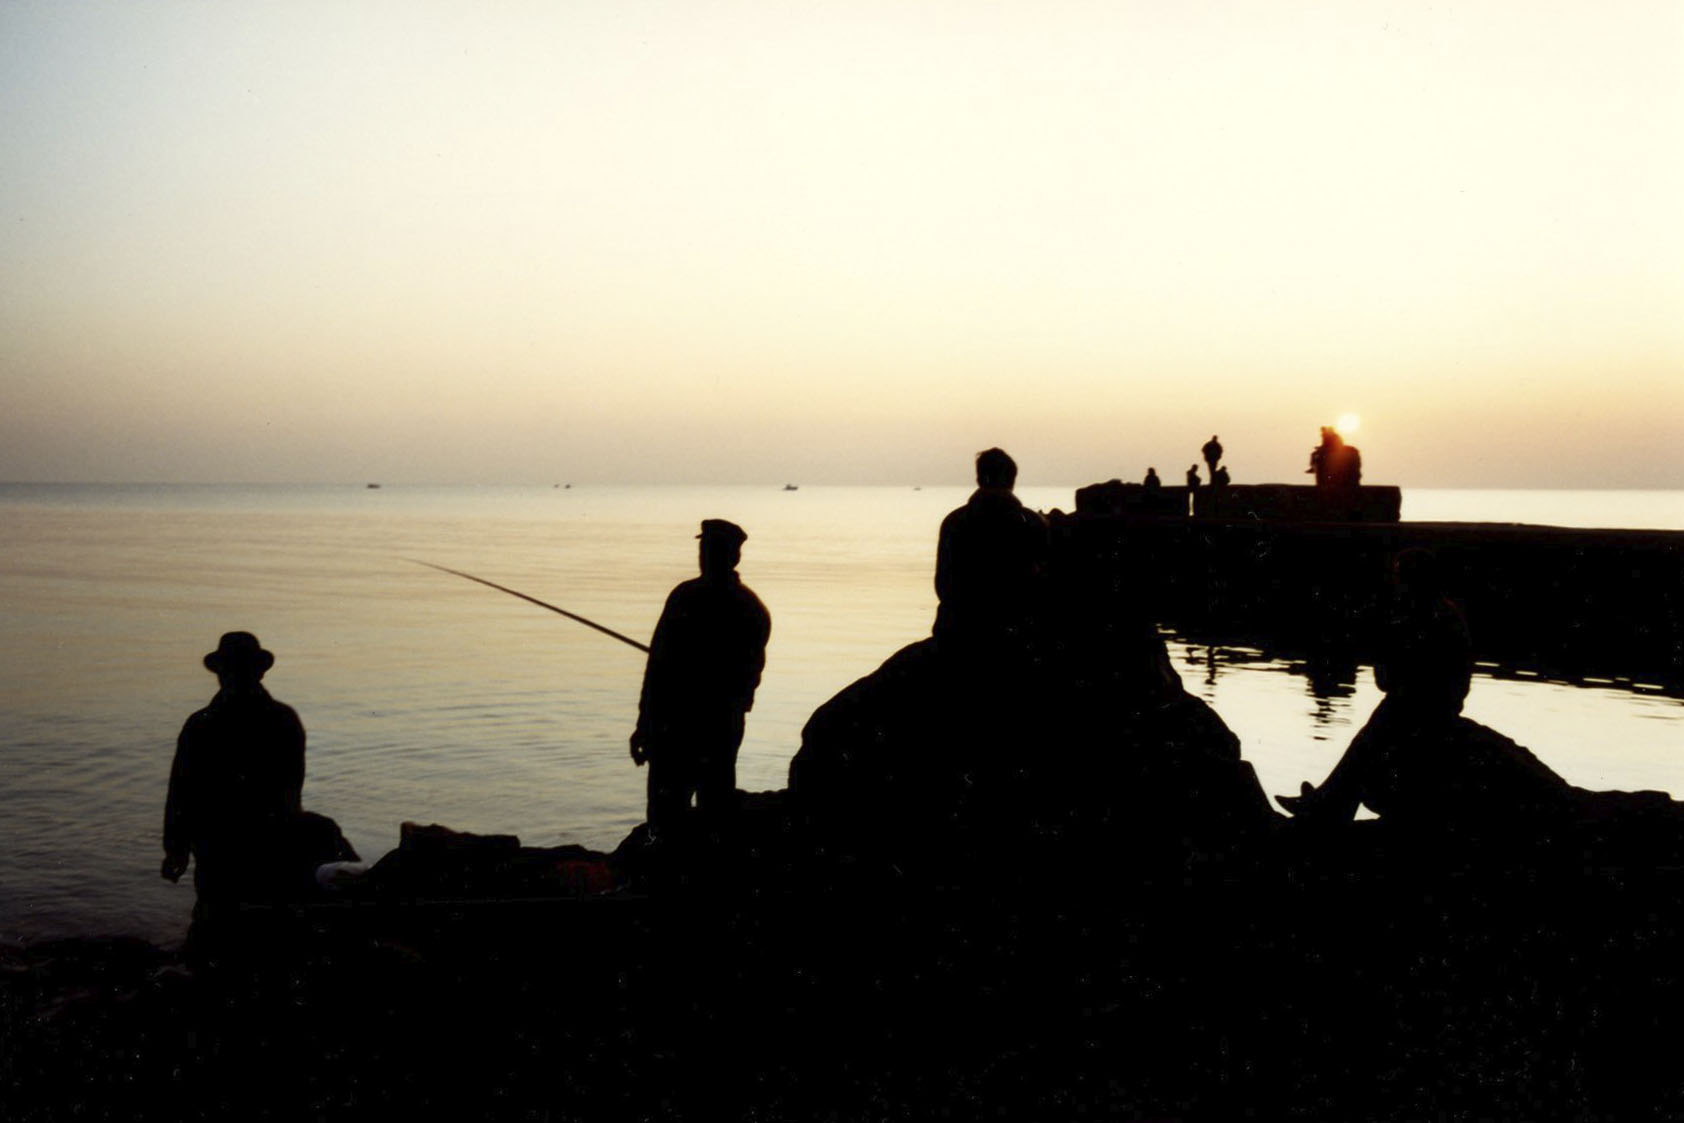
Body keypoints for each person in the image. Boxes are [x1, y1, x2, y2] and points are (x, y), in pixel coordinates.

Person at [162, 632, 355, 902]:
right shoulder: (282, 718)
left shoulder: (202, 723)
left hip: (220, 844)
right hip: (263, 839)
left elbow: (181, 792)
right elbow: (291, 789)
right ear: (260, 672)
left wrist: (176, 848)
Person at [630, 519, 772, 832]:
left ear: (733, 557)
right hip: (679, 729)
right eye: (703, 548)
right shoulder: (690, 597)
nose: (704, 555)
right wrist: (644, 725)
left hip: (705, 729)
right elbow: (655, 670)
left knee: (705, 815)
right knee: (674, 817)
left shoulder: (746, 610)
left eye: (712, 549)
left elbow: (746, 681)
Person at [933, 448, 1049, 657]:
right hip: (1015, 634)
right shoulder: (1031, 523)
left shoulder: (954, 522)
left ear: (979, 479)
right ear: (1012, 480)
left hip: (959, 633)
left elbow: (943, 586)